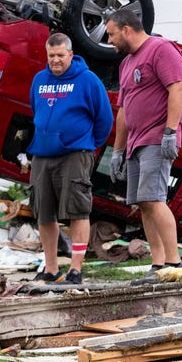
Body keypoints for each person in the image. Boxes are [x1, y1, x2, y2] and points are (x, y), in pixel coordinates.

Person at [25, 32, 113, 285]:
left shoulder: (87, 80)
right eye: (51, 56)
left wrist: (86, 145)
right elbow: (35, 109)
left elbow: (104, 120)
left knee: (77, 210)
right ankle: (51, 268)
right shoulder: (40, 80)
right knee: (43, 213)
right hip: (42, 153)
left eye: (60, 55)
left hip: (75, 153)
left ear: (70, 55)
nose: (55, 60)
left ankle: (75, 269)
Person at [105, 9, 182, 275]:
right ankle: (159, 263)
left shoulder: (161, 49)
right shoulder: (127, 63)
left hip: (156, 137)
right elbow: (124, 111)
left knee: (153, 199)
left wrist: (170, 132)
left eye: (112, 34)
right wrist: (118, 150)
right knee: (143, 202)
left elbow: (177, 88)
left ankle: (175, 262)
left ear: (127, 29)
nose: (110, 41)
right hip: (136, 142)